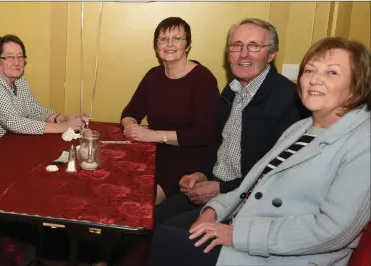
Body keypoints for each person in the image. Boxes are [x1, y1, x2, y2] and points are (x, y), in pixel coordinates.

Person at [148, 36, 371, 266]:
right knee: (158, 232)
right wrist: (212, 211)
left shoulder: (363, 142)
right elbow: (253, 185)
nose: (315, 80)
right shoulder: (301, 128)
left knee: (165, 241)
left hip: (286, 256)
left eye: (332, 73)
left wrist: (234, 234)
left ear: (356, 87)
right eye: (310, 70)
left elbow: (332, 231)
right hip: (246, 227)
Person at [154, 18, 308, 226]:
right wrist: (201, 174)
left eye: (254, 46)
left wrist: (221, 189)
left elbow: (278, 173)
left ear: (271, 54)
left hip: (246, 200)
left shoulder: (288, 99)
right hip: (214, 185)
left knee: (168, 232)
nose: (244, 54)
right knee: (151, 217)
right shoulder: (232, 90)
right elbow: (217, 142)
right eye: (236, 46)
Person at [120, 17, 220, 205]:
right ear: (156, 45)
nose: (169, 44)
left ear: (188, 45)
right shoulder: (153, 76)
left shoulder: (203, 80)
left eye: (177, 39)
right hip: (153, 152)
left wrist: (153, 135)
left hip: (188, 159)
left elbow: (204, 135)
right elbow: (130, 112)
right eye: (163, 39)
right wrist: (131, 126)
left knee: (139, 203)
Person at [0, 34, 83, 150]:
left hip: (12, 141)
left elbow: (32, 108)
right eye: (10, 57)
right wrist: (64, 127)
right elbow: (13, 122)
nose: (17, 62)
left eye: (20, 57)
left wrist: (60, 118)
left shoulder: (18, 78)